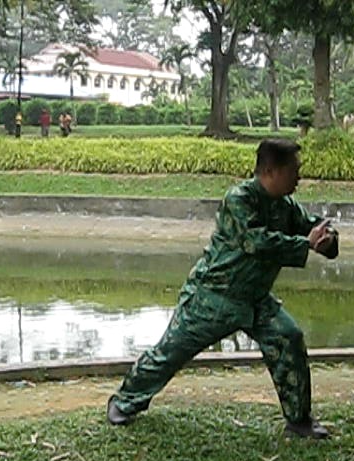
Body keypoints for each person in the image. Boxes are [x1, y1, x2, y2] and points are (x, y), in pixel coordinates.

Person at [107, 138, 339, 439]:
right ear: (271, 170)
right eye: (294, 170)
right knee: (170, 353)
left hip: (255, 299)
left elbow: (313, 227)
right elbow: (255, 241)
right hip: (213, 296)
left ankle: (299, 420)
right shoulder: (238, 198)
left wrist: (327, 239)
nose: (299, 177)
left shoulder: (286, 206)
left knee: (288, 339)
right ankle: (125, 401)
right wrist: (306, 244)